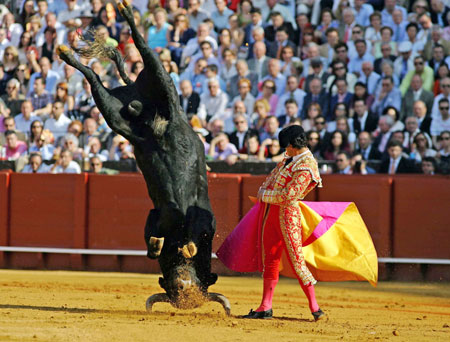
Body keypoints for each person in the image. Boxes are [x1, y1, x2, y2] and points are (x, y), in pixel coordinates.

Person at [222, 125, 325, 320]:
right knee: (271, 259)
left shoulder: (308, 165)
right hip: (271, 215)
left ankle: (315, 307)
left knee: (297, 261)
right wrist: (264, 194)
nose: (283, 149)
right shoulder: (289, 159)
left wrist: (264, 195)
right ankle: (265, 306)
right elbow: (270, 181)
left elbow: (289, 195)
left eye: (285, 145)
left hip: (288, 217)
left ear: (292, 145)